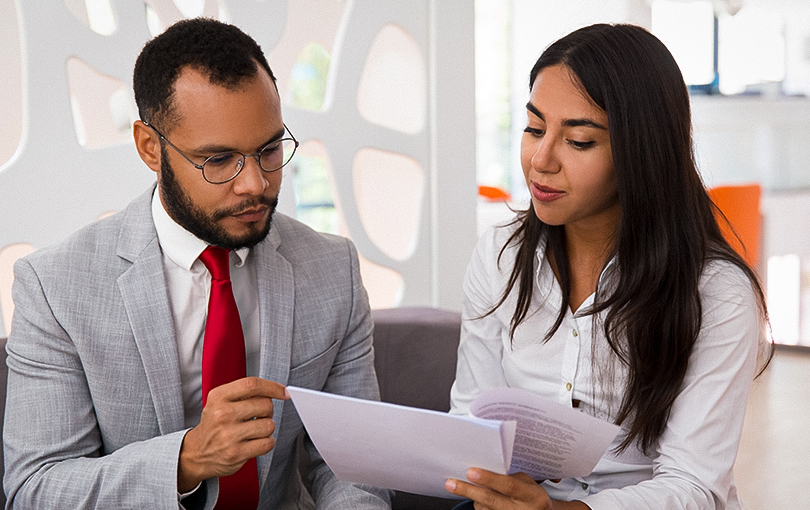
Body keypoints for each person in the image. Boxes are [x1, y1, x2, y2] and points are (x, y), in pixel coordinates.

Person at [3, 18, 391, 510]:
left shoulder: (332, 268)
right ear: (150, 148)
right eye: (220, 159)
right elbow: (35, 488)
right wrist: (187, 459)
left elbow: (353, 464)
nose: (255, 183)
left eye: (270, 149)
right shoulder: (55, 288)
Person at [444, 24, 771, 509]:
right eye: (534, 128)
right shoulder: (501, 256)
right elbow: (472, 423)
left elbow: (694, 485)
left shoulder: (715, 293)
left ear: (640, 153)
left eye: (578, 141)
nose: (540, 159)